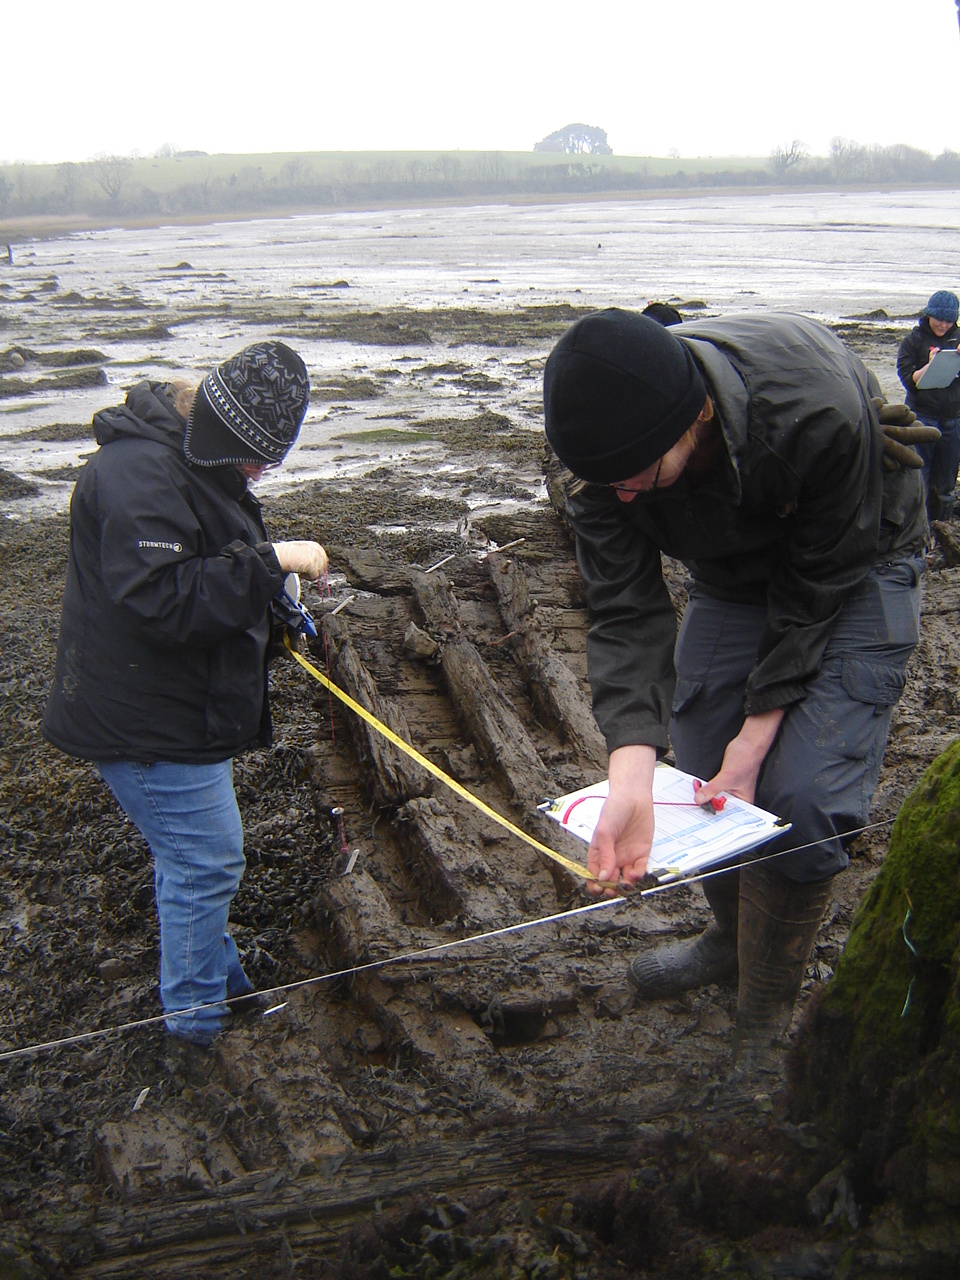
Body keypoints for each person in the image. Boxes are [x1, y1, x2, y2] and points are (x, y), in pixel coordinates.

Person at [543, 309, 927, 1076]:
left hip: (852, 560)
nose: (622, 499)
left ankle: (763, 1014)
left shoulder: (813, 411)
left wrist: (758, 740)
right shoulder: (601, 455)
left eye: (636, 477)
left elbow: (816, 587)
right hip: (730, 568)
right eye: (606, 482)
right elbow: (626, 612)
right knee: (697, 762)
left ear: (698, 415)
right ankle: (730, 940)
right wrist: (631, 774)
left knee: (806, 793)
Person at [43, 341, 327, 1048]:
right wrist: (272, 562)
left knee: (196, 858)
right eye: (257, 456)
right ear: (223, 430)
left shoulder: (195, 458)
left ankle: (224, 987)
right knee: (205, 860)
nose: (261, 472)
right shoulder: (138, 473)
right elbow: (163, 601)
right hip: (143, 720)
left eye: (272, 458)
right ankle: (196, 1032)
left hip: (180, 706)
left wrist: (276, 604)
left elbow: (209, 560)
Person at [897, 289, 960, 520]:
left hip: (953, 418)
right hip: (922, 417)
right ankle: (915, 529)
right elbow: (907, 378)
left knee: (945, 483)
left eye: (949, 320)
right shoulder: (913, 341)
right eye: (939, 319)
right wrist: (930, 366)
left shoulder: (959, 337)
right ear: (928, 315)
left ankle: (940, 528)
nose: (943, 324)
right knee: (918, 478)